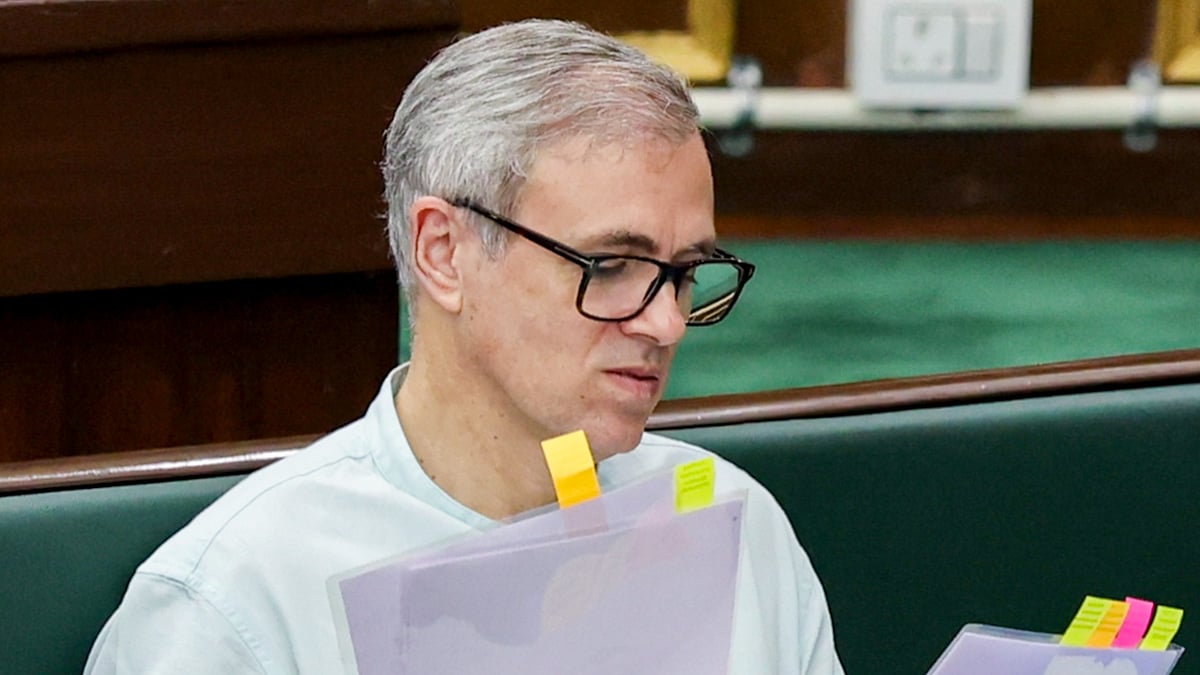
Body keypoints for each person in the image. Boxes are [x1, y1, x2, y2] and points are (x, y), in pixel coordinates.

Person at [84, 19, 843, 674]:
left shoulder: (732, 520)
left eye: (682, 274)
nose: (666, 323)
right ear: (444, 252)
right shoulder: (237, 602)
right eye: (611, 265)